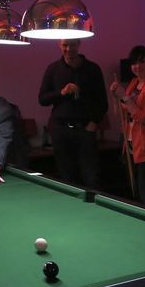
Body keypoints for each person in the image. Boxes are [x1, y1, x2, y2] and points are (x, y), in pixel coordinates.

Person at [38, 38, 108, 188]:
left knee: (91, 176)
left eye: (72, 45)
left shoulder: (92, 69)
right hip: (60, 130)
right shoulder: (53, 69)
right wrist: (61, 92)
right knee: (67, 177)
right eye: (65, 45)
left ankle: (93, 210)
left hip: (85, 129)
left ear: (79, 44)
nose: (69, 49)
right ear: (59, 45)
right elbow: (42, 99)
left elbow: (102, 103)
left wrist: (93, 124)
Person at [110, 46, 145, 210]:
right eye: (134, 63)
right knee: (136, 194)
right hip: (130, 145)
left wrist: (125, 97)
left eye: (142, 61)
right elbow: (122, 113)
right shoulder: (134, 83)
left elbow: (144, 118)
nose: (137, 66)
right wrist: (117, 97)